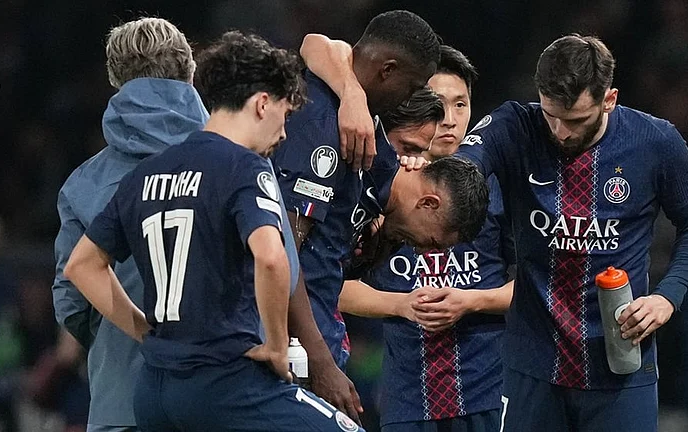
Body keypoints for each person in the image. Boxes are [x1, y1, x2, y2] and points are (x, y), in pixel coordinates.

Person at [64, 30, 366, 432]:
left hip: (152, 390)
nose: (284, 133)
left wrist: (145, 332)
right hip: (224, 382)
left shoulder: (147, 173)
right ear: (262, 103)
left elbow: (80, 266)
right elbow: (273, 258)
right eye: (285, 114)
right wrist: (277, 345)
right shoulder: (245, 167)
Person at [443, 34, 688, 431]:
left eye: (576, 120)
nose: (561, 132)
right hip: (532, 367)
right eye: (552, 115)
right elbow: (466, 166)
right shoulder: (515, 126)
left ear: (609, 99)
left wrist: (666, 299)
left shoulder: (656, 142)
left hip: (620, 365)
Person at [272, 9, 447, 420]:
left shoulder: (365, 131)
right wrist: (320, 363)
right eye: (412, 87)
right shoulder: (327, 129)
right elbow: (282, 257)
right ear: (389, 69)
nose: (410, 98)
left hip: (314, 340)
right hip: (292, 349)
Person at [341, 46, 515, 432]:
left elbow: (540, 284)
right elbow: (328, 285)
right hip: (407, 396)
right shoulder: (379, 188)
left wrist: (472, 301)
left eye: (461, 105)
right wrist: (403, 304)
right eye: (438, 105)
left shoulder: (496, 189)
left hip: (490, 392)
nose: (449, 121)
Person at [51, 17, 208, 432]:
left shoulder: (84, 184)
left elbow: (71, 303)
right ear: (191, 72)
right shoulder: (241, 166)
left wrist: (125, 340)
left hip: (121, 401)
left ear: (114, 80)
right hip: (220, 399)